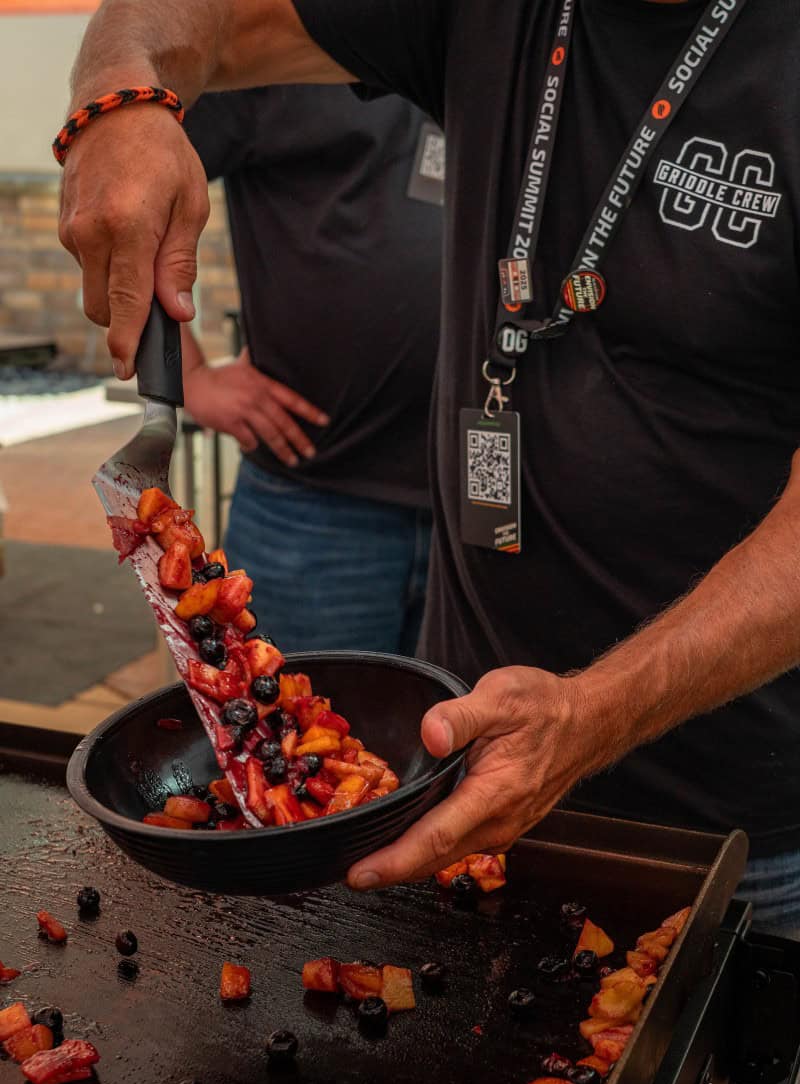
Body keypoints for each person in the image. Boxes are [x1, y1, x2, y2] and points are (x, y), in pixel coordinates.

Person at [57, 0, 800, 925]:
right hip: (457, 773)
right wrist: (117, 97)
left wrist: (592, 715)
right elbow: (204, 16)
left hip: (732, 829)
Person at [179, 87, 441, 653]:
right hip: (311, 510)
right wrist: (189, 376)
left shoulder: (509, 39)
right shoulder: (271, 34)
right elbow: (123, 193)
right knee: (288, 734)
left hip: (492, 509)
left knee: (474, 742)